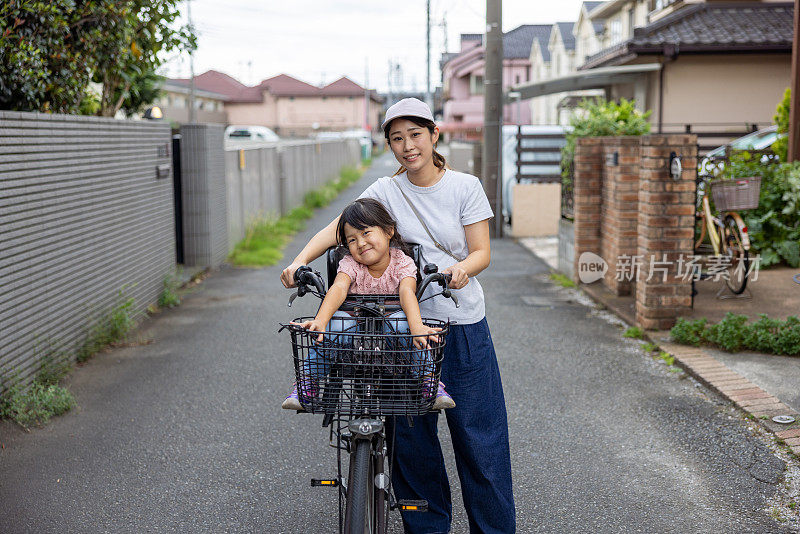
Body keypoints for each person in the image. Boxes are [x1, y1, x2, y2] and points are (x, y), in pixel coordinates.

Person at [281, 98, 515, 533]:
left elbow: (482, 252)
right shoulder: (385, 192)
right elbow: (338, 228)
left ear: (433, 135)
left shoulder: (465, 186)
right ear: (389, 145)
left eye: (415, 135)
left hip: (458, 325)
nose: (408, 146)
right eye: (397, 139)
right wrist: (297, 262)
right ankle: (427, 529)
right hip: (395, 330)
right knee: (412, 445)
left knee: (480, 440)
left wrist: (460, 270)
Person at [282, 197, 456, 411]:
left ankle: (429, 382)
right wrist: (320, 320)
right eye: (352, 240)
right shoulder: (350, 263)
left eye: (366, 233)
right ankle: (307, 383)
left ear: (388, 231)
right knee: (331, 328)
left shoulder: (402, 262)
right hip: (354, 325)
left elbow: (406, 291)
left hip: (391, 329)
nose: (361, 243)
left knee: (407, 326)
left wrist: (417, 326)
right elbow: (339, 288)